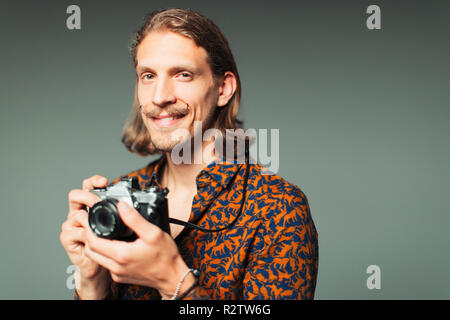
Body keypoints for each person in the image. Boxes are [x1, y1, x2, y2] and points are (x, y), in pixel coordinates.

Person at [60, 8, 318, 300]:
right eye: (148, 76)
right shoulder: (123, 196)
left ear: (223, 88)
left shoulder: (278, 209)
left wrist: (174, 282)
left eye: (182, 74)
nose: (159, 96)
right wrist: (92, 281)